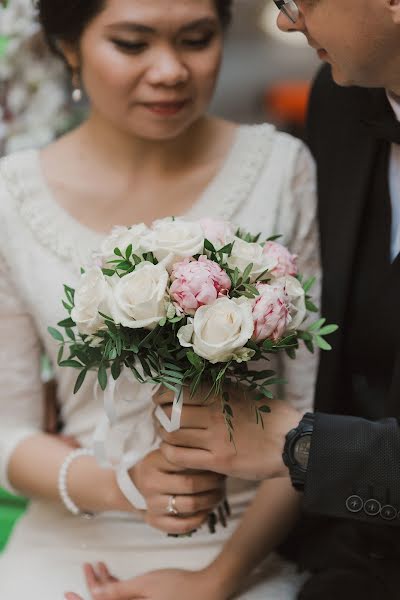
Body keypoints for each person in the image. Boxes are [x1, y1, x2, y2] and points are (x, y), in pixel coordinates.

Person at [0, 0, 320, 598]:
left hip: (249, 543)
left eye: (196, 39)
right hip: (78, 527)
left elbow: (310, 414)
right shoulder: (11, 197)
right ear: (69, 47)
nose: (170, 70)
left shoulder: (281, 168)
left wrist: (216, 580)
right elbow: (8, 434)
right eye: (132, 43)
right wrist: (126, 487)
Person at [157, 0, 400, 598]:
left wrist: (301, 442)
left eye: (302, 0)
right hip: (339, 549)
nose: (289, 22)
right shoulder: (341, 96)